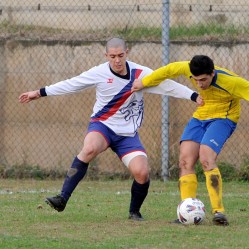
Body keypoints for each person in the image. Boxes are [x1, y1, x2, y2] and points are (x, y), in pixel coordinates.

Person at [18, 38, 202, 221]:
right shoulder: (98, 72)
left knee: (142, 172)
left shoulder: (140, 73)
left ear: (127, 52)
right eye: (112, 56)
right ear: (106, 55)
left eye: (120, 55)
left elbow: (167, 85)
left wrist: (194, 96)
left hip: (127, 134)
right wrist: (40, 92)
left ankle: (134, 212)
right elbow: (72, 83)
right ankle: (62, 198)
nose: (117, 60)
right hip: (103, 125)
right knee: (89, 148)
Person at [131, 55, 249, 225]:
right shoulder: (187, 68)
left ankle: (218, 212)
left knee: (206, 158)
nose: (200, 84)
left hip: (223, 119)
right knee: (185, 161)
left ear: (212, 73)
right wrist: (144, 82)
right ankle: (187, 211)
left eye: (203, 80)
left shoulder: (230, 82)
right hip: (200, 117)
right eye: (196, 80)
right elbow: (168, 70)